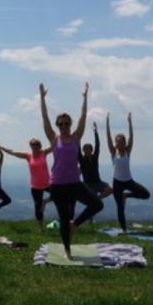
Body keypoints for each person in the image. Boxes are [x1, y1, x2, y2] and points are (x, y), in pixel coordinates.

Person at [39, 82, 104, 260]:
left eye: (67, 123)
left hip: (75, 183)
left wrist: (84, 96)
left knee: (97, 204)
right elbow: (44, 117)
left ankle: (75, 224)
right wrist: (42, 98)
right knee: (63, 217)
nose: (64, 126)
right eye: (61, 123)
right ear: (58, 125)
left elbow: (83, 115)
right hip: (58, 185)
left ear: (70, 124)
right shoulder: (54, 138)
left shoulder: (76, 137)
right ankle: (67, 251)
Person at [0, 138, 52, 230]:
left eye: (37, 144)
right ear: (30, 146)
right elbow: (13, 152)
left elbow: (54, 145)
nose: (35, 146)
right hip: (35, 186)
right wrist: (0, 147)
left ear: (39, 146)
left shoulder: (44, 153)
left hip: (47, 183)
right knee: (37, 207)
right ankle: (41, 227)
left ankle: (45, 201)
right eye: (33, 145)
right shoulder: (28, 156)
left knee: (59, 194)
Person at [107, 112, 150, 232]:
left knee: (146, 194)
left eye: (121, 142)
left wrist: (130, 122)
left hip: (128, 181)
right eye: (117, 142)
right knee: (120, 207)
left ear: (124, 143)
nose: (119, 144)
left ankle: (126, 195)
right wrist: (107, 124)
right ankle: (124, 229)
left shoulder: (127, 151)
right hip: (117, 183)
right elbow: (108, 138)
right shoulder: (113, 152)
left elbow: (132, 137)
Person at [79, 123, 112, 199]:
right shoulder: (82, 159)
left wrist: (95, 132)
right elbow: (78, 147)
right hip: (87, 184)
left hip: (98, 182)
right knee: (92, 202)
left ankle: (98, 198)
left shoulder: (95, 157)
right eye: (86, 149)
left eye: (89, 149)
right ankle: (95, 199)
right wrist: (79, 136)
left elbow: (97, 145)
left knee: (110, 189)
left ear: (91, 150)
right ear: (83, 150)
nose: (88, 150)